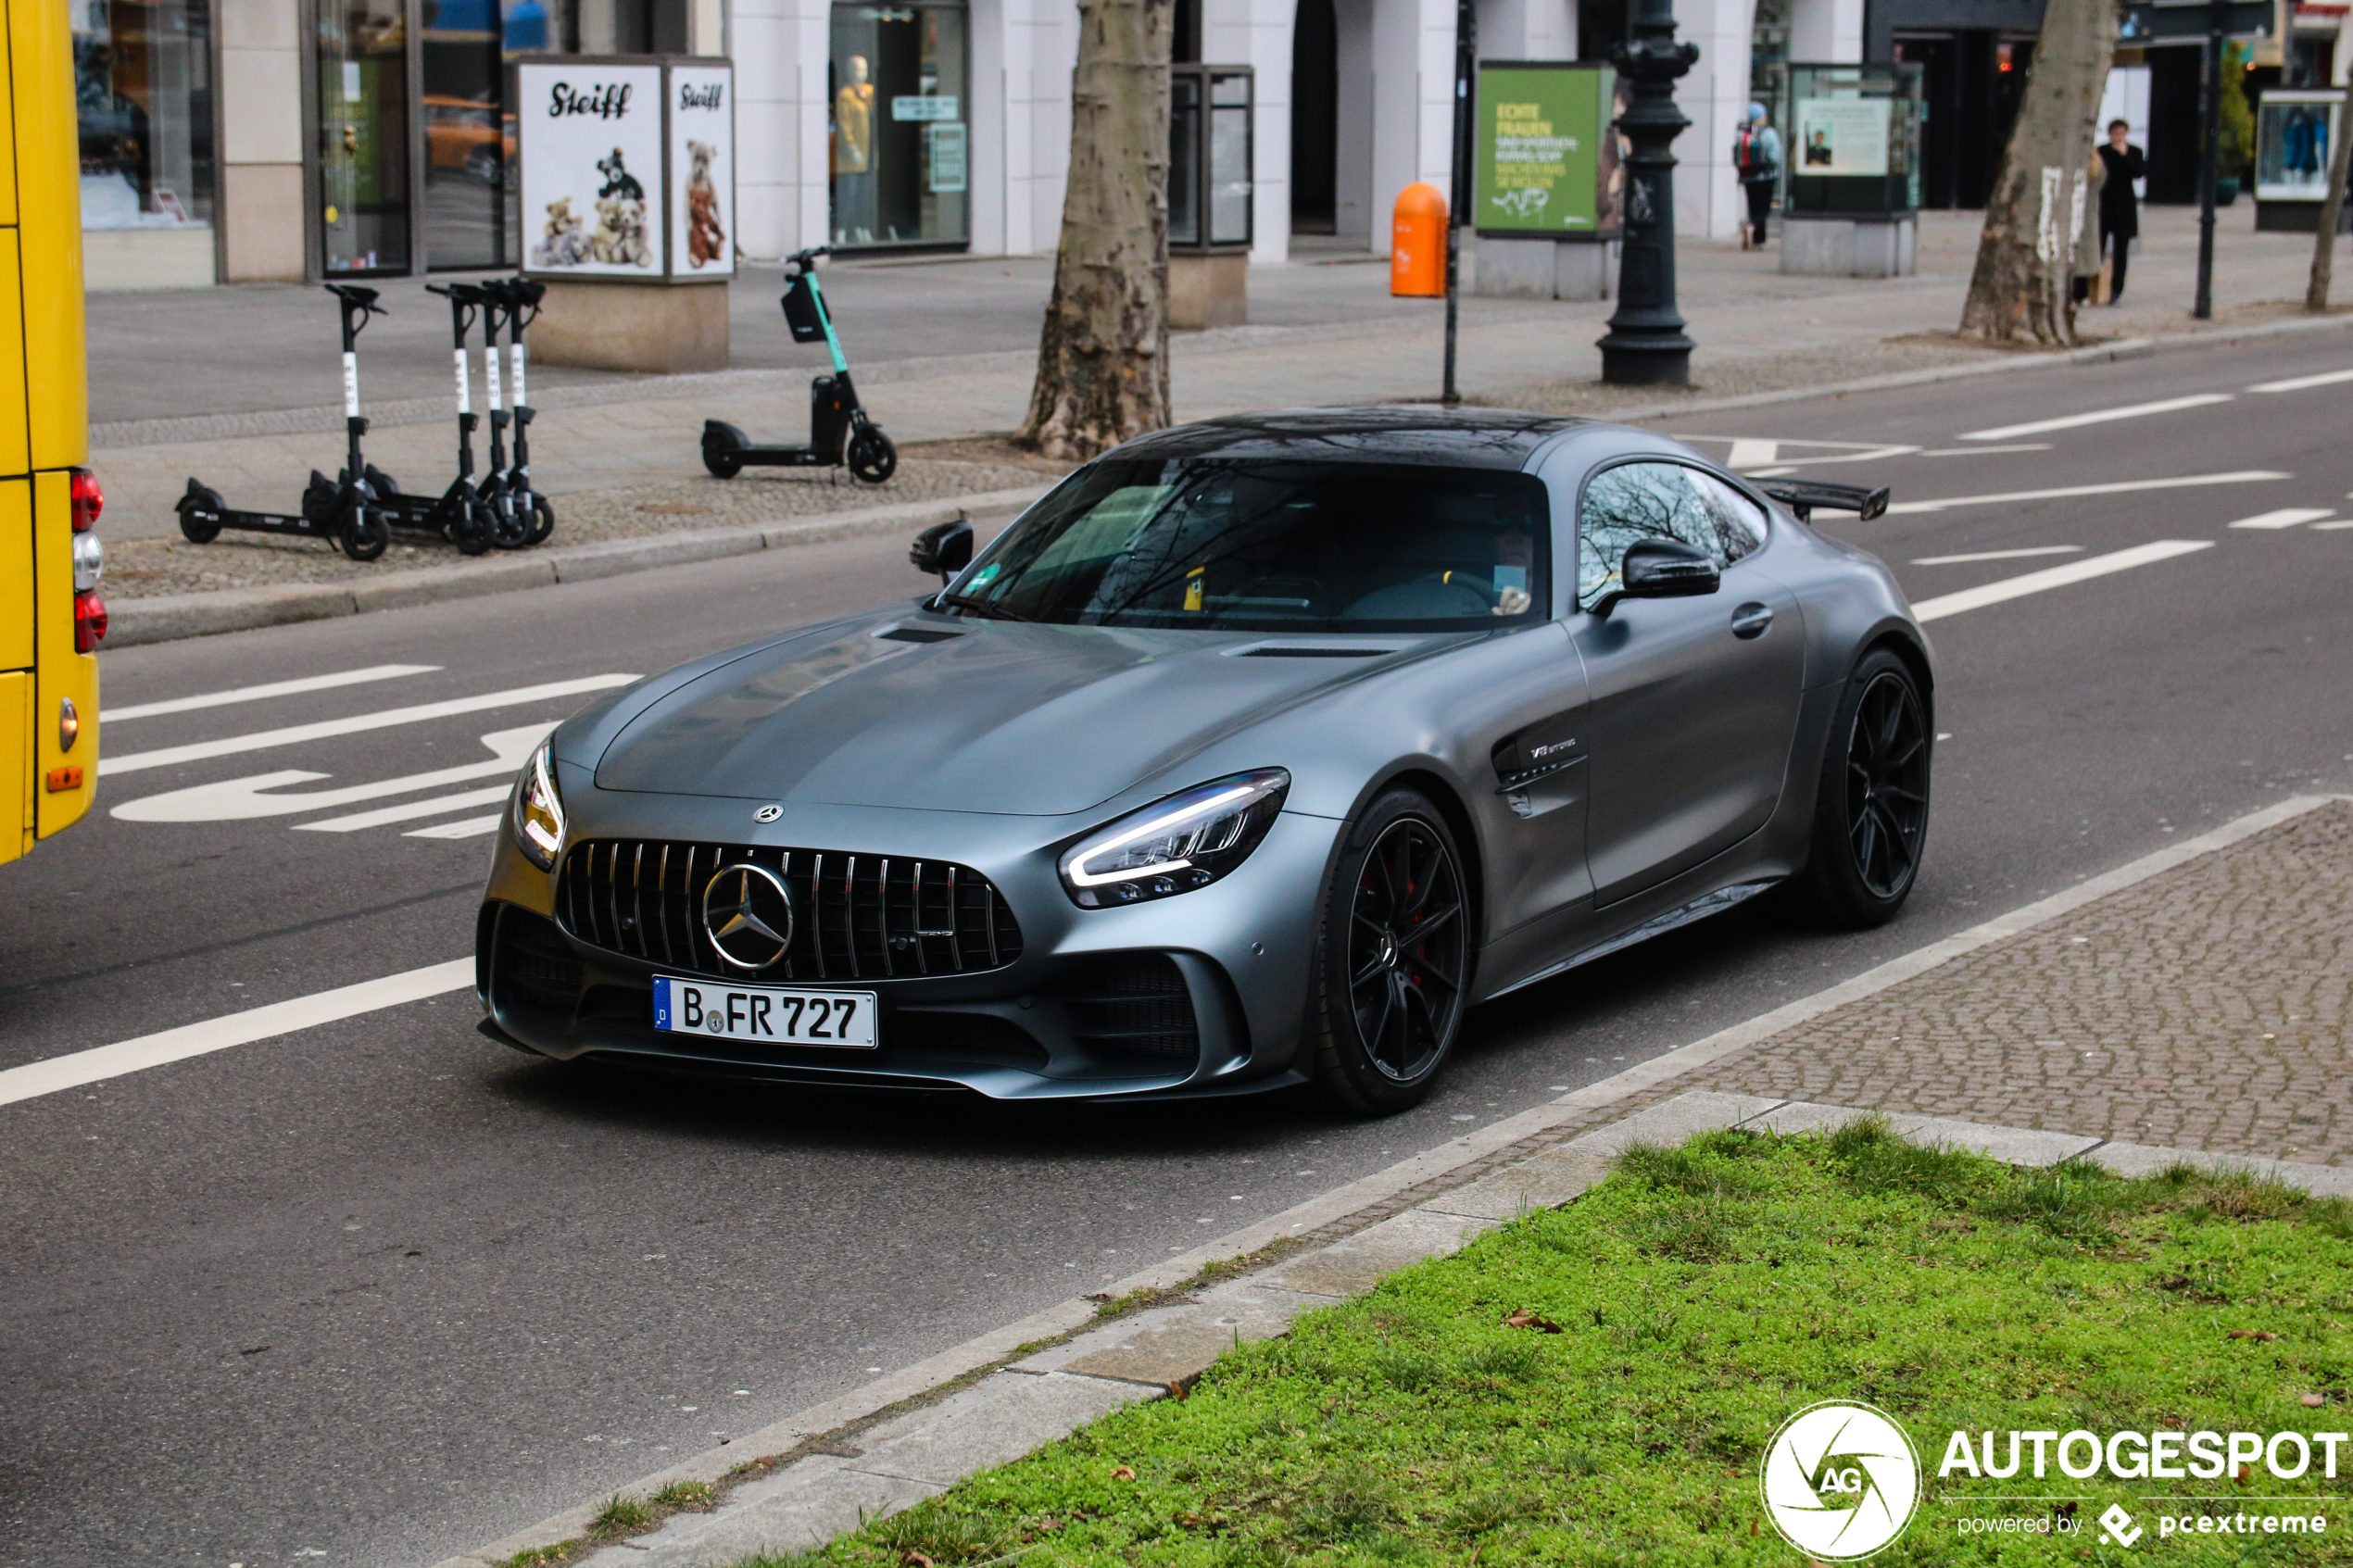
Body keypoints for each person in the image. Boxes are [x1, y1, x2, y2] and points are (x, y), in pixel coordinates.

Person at [2096, 119, 2145, 304]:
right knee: (2098, 246)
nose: (2118, 137)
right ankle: (2094, 288)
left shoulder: (2134, 152)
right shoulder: (2102, 152)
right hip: (2105, 203)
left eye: (2121, 133)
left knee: (2121, 250)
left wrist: (2125, 155)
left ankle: (2117, 289)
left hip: (2124, 205)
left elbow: (2138, 172)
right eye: (2115, 133)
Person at [1733, 103, 1781, 250]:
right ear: (1761, 117)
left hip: (1748, 176)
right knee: (1764, 209)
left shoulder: (1742, 133)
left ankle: (1758, 241)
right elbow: (1775, 157)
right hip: (1766, 177)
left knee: (1753, 207)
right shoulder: (1768, 133)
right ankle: (1752, 228)